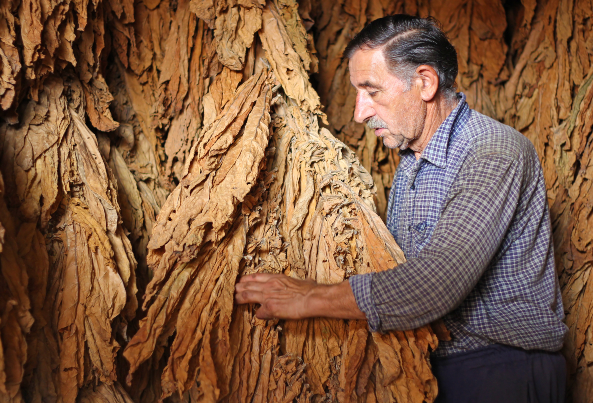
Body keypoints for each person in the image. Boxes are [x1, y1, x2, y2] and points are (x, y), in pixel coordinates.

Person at [235, 14, 568, 402]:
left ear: (425, 82)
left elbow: (434, 284)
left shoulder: (493, 152)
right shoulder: (411, 156)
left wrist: (307, 297)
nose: (360, 112)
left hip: (500, 372)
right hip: (433, 371)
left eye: (372, 91)